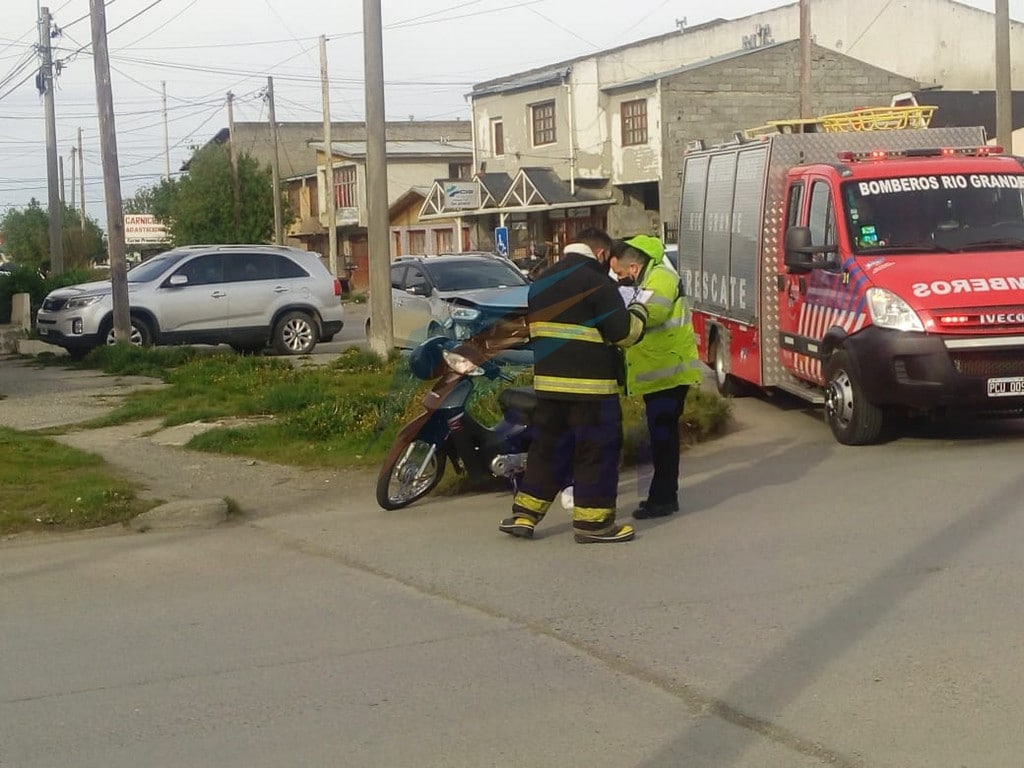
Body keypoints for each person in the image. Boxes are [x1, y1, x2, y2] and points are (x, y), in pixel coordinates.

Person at [499, 227, 648, 544]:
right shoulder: (598, 283)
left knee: (547, 451)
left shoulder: (541, 283)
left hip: (549, 389)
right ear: (602, 254)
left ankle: (524, 517)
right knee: (594, 453)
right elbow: (623, 334)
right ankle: (593, 525)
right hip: (591, 390)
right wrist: (639, 310)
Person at [609, 235, 702, 519]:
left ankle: (662, 499)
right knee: (662, 438)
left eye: (621, 274)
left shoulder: (660, 277)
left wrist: (619, 313)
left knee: (663, 439)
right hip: (662, 374)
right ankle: (662, 496)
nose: (620, 279)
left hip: (669, 374)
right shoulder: (650, 277)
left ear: (634, 267)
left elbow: (652, 313)